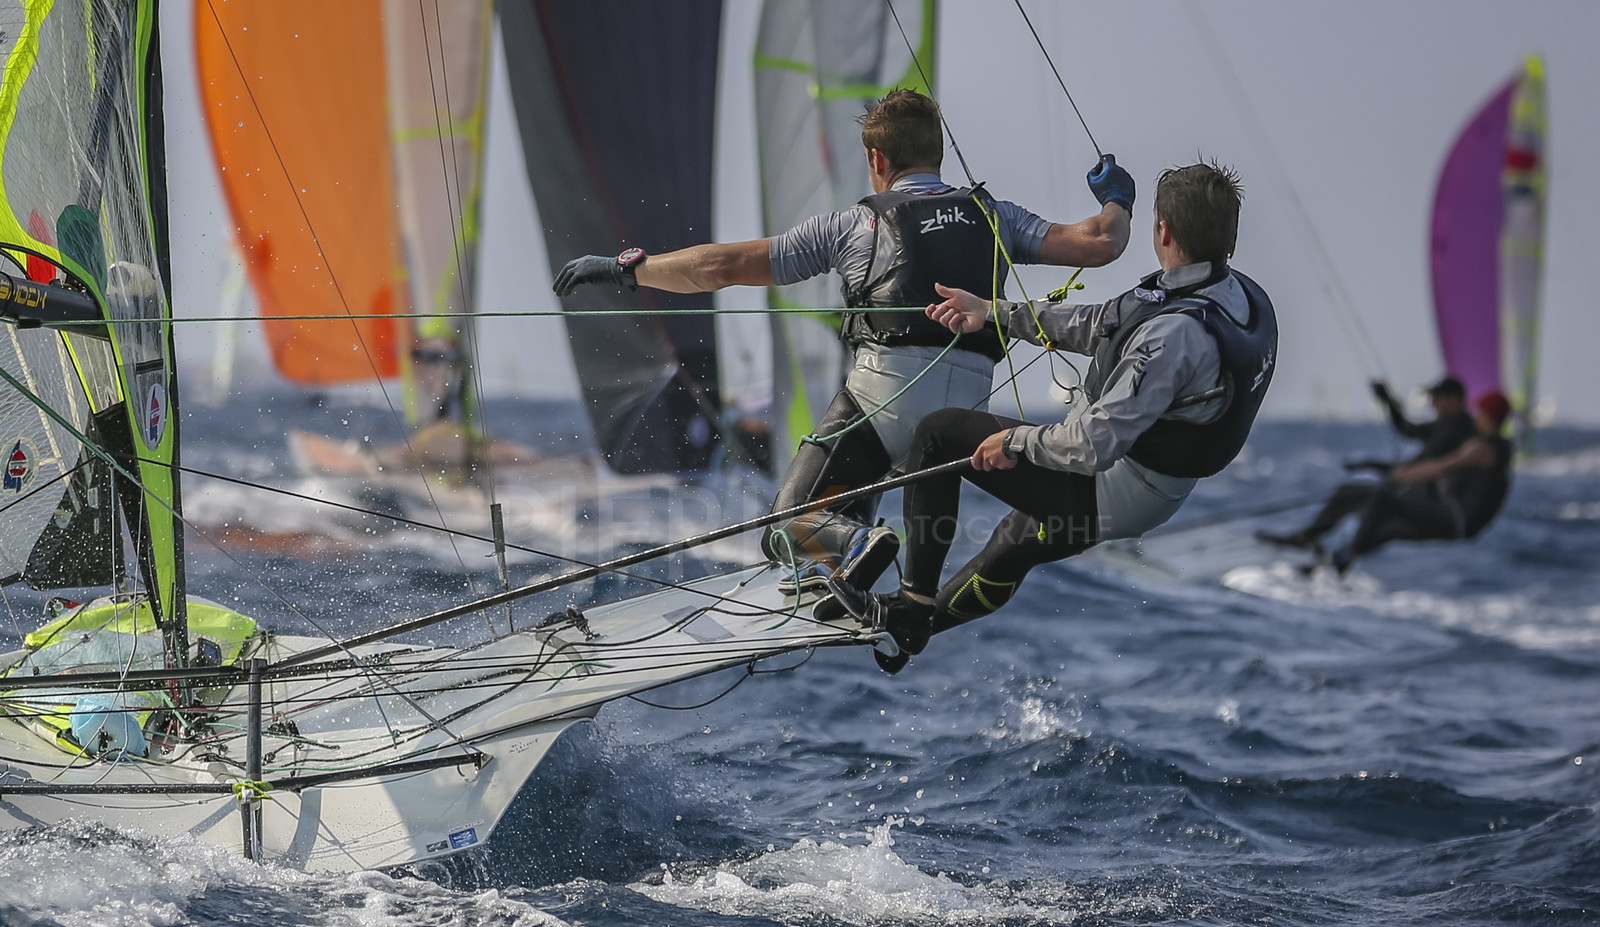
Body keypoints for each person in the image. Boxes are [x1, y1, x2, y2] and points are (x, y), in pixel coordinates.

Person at [551, 89, 1133, 595]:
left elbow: (720, 268)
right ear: (940, 152)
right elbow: (1101, 243)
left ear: (877, 159)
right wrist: (1118, 199)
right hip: (964, 427)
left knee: (788, 523)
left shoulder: (857, 225)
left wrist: (631, 268)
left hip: (885, 405)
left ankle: (852, 544)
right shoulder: (996, 216)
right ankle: (855, 565)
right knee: (863, 491)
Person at [823, 160, 1276, 671]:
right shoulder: (1232, 294)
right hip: (1148, 491)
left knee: (938, 434)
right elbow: (1097, 323)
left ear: (1162, 230)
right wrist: (992, 312)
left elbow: (1095, 442)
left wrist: (1014, 444)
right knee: (1014, 544)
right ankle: (909, 631)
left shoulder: (1173, 337)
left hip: (1110, 488)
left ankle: (913, 604)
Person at [1259, 390, 1513, 574]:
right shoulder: (1483, 444)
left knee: (1381, 498)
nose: (1475, 414)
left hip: (1457, 519)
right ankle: (1320, 553)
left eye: (1479, 410)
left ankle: (1344, 556)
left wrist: (1401, 475)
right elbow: (1421, 443)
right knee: (1377, 518)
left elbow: (1441, 467)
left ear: (1487, 415)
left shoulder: (1483, 448)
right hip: (1458, 522)